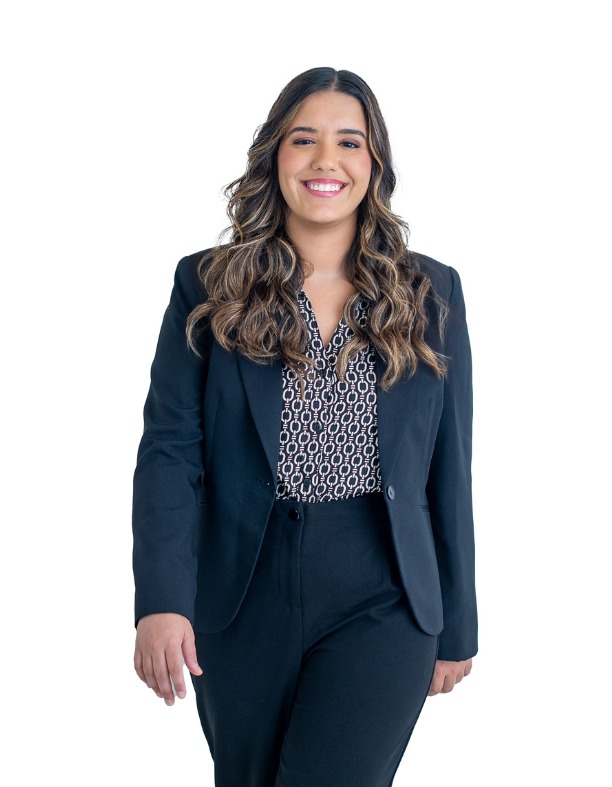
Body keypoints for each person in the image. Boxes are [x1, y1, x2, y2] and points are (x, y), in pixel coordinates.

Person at [132, 66, 477, 786]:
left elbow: (450, 465)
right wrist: (161, 599)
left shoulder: (430, 291)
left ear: (374, 164)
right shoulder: (207, 285)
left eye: (349, 142)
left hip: (384, 587)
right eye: (303, 139)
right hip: (241, 588)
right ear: (274, 156)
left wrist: (459, 621)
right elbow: (171, 451)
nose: (326, 160)